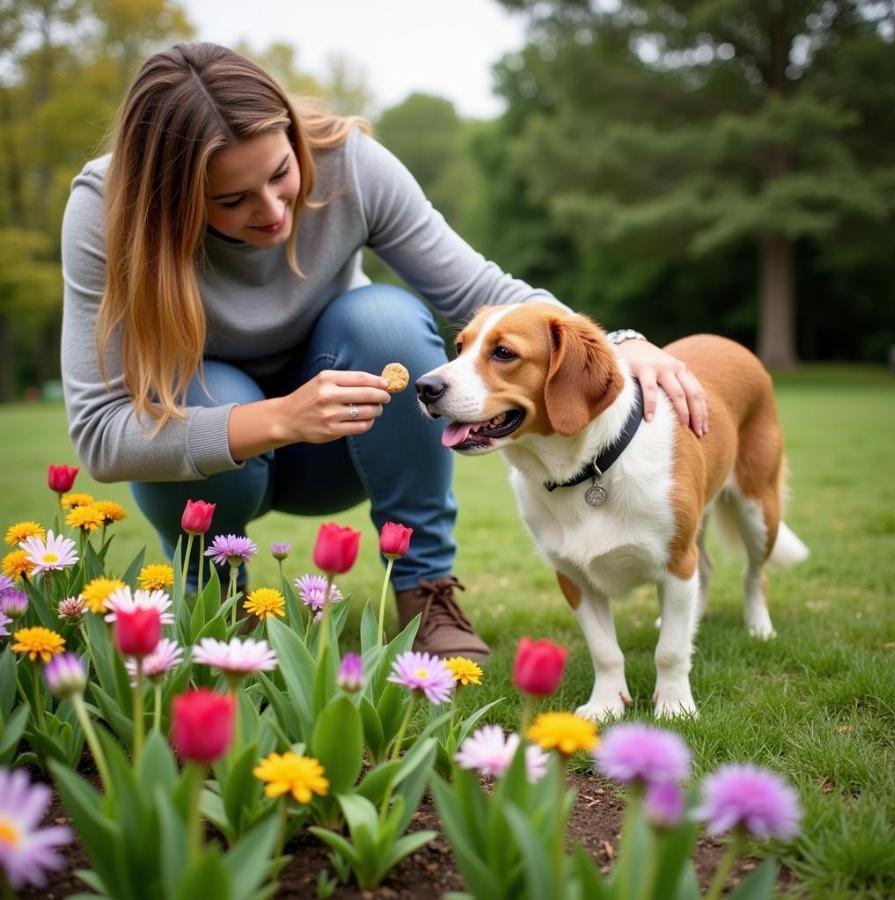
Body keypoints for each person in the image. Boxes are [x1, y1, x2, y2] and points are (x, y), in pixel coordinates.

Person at [61, 43, 708, 661]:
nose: (274, 209)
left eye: (282, 173)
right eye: (233, 200)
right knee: (214, 391)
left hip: (346, 443)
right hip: (216, 459)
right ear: (173, 197)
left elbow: (481, 289)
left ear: (292, 136)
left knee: (387, 321)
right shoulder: (105, 209)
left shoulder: (346, 160)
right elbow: (100, 432)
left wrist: (617, 346)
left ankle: (425, 596)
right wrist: (282, 418)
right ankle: (217, 606)